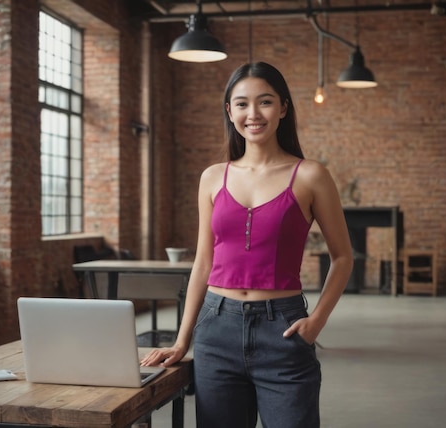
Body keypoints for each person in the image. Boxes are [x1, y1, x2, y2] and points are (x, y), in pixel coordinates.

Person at [141, 61, 353, 428]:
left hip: (283, 329)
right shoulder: (212, 178)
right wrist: (182, 340)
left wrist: (317, 320)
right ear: (229, 111)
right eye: (241, 104)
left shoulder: (311, 175)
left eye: (265, 102)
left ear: (283, 108)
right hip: (216, 329)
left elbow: (343, 256)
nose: (253, 114)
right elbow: (203, 264)